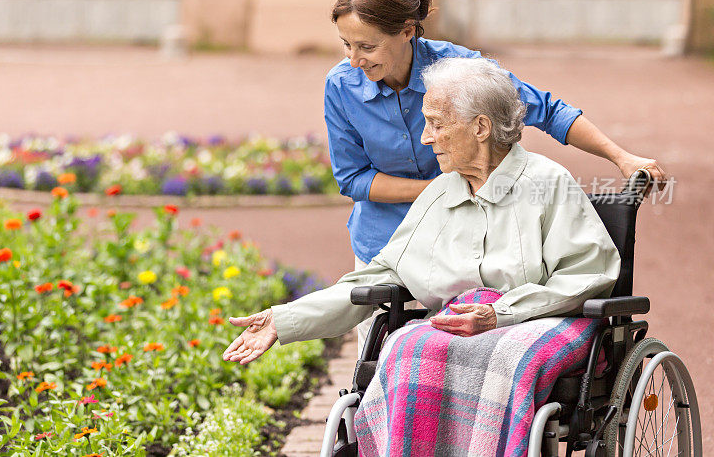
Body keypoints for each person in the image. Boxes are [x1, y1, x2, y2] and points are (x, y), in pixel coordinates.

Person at [222, 56, 621, 454]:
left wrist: (502, 314)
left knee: (500, 356)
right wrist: (285, 319)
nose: (425, 138)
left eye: (436, 123)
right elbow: (379, 278)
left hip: (544, 320)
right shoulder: (439, 193)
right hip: (463, 325)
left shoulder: (547, 182)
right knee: (405, 345)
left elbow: (586, 275)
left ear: (481, 127)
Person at [320, 0, 661, 352]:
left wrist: (621, 157)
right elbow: (353, 179)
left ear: (407, 31)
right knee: (381, 363)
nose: (353, 60)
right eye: (347, 45)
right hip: (384, 246)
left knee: (462, 357)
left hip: (465, 247)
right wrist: (439, 191)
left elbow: (546, 110)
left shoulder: (459, 71)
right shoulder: (341, 86)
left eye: (367, 46)